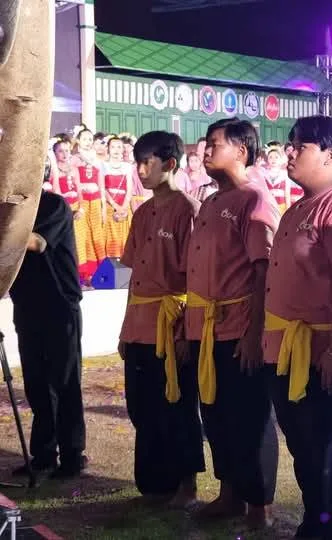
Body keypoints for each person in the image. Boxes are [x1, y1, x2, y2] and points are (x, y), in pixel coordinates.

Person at [263, 116, 332, 540]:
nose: (289, 152)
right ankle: (316, 527)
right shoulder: (299, 207)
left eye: (300, 145)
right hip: (293, 354)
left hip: (327, 355)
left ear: (331, 156)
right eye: (290, 144)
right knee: (308, 452)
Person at [186, 118, 279, 526]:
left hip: (239, 327)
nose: (205, 151)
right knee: (216, 414)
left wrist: (255, 333)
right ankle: (230, 494)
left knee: (249, 416)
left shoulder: (254, 199)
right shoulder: (210, 202)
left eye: (214, 144)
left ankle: (259, 504)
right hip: (205, 328)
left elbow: (264, 270)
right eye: (205, 145)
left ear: (241, 151)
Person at [117, 131, 205, 506]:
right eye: (137, 163)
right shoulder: (141, 213)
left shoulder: (189, 211)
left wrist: (185, 333)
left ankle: (186, 483)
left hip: (171, 324)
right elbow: (135, 276)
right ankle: (154, 481)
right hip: (140, 324)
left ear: (169, 164)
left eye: (146, 162)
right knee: (141, 405)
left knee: (177, 404)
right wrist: (125, 329)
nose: (140, 170)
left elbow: (196, 279)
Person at [10, 163, 87, 479]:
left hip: (59, 305)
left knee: (65, 381)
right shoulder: (12, 212)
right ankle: (43, 454)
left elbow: (36, 243)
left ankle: (72, 455)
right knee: (36, 383)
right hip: (26, 306)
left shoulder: (54, 205)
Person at [72, 128, 106, 281]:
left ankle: (100, 270)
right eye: (85, 139)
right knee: (82, 234)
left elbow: (101, 185)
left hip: (96, 200)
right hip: (81, 201)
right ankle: (84, 272)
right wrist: (80, 205)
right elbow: (75, 184)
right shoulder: (74, 160)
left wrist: (103, 207)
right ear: (78, 141)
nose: (88, 142)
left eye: (90, 139)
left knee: (97, 233)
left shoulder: (97, 161)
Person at [51, 139, 87, 273]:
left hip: (76, 207)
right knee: (66, 241)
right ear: (55, 153)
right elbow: (56, 191)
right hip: (62, 209)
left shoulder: (74, 169)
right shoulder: (54, 170)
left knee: (79, 240)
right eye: (60, 151)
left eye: (67, 150)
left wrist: (81, 208)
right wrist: (66, 211)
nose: (64, 154)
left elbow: (79, 191)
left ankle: (81, 274)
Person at [103, 137, 133, 258]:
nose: (116, 150)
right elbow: (103, 189)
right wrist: (115, 206)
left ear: (123, 149)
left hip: (124, 206)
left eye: (119, 147)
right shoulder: (103, 166)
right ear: (108, 149)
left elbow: (129, 189)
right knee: (109, 239)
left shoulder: (127, 166)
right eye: (113, 147)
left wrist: (123, 208)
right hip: (109, 206)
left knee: (125, 239)